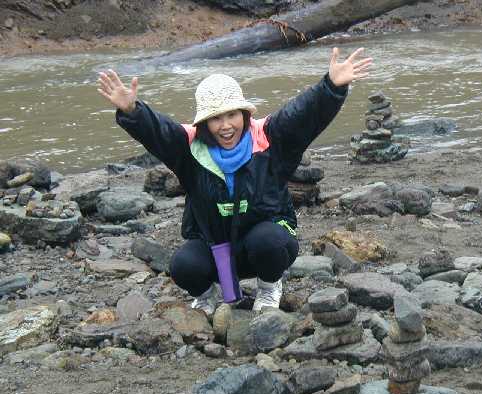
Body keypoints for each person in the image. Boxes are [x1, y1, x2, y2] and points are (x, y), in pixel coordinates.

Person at [97, 47, 372, 313]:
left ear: (244, 114)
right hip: (215, 246)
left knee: (268, 242)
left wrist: (331, 87)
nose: (226, 125)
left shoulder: (269, 138)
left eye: (232, 115)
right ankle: (207, 295)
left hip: (265, 242)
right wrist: (132, 110)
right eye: (216, 118)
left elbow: (303, 114)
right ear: (204, 123)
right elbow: (159, 131)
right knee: (183, 266)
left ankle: (269, 287)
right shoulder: (189, 147)